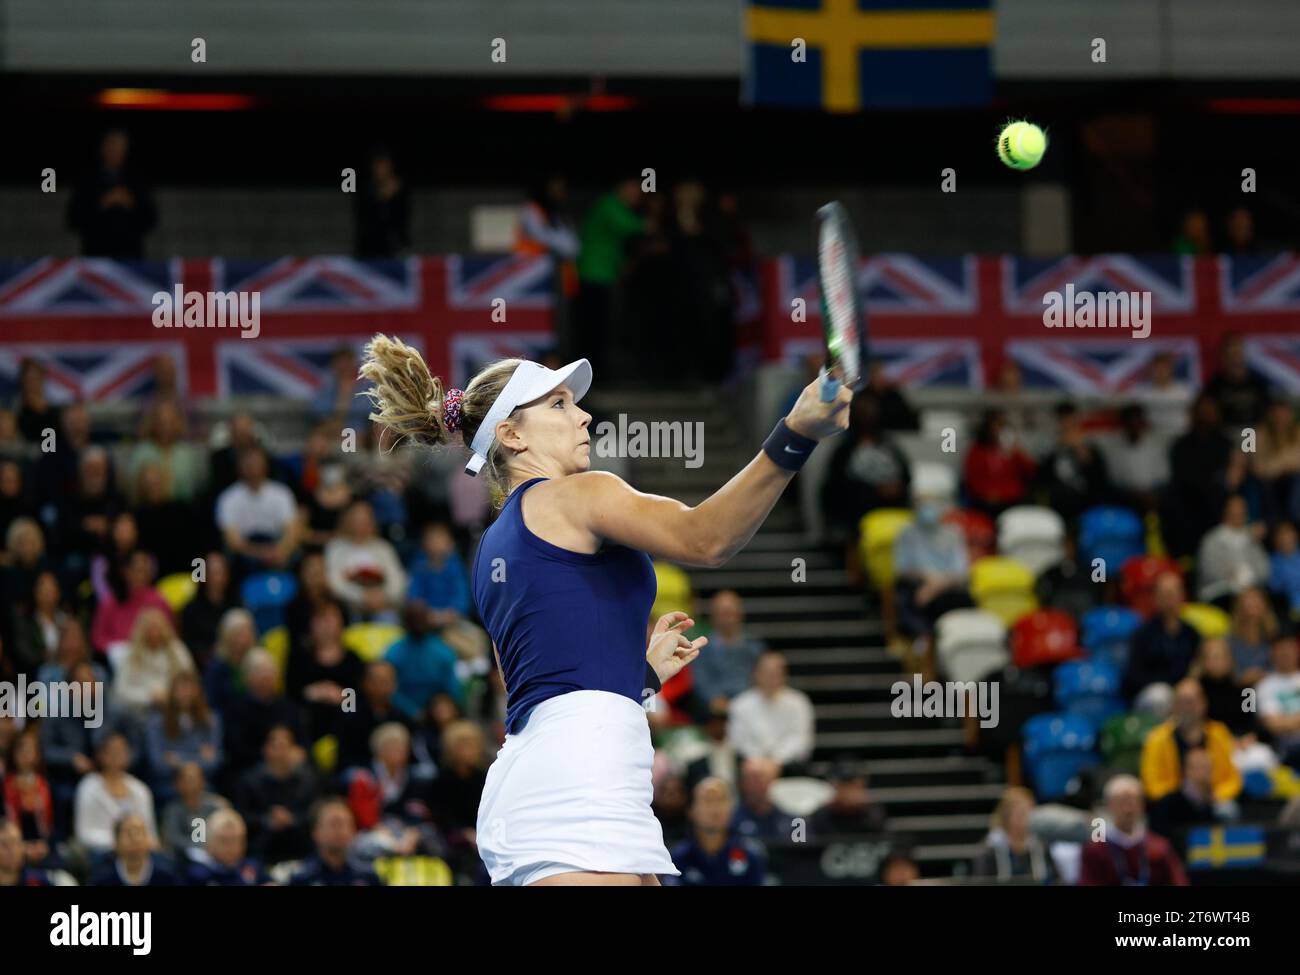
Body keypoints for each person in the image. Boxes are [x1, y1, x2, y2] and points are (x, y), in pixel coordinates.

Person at [357, 332, 850, 885]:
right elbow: (707, 539)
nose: (585, 416)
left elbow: (538, 685)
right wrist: (795, 434)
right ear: (511, 435)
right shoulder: (579, 494)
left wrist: (637, 675)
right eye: (560, 404)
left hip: (581, 773)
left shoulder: (491, 549)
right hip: (575, 782)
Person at [573, 179, 645, 376]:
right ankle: (591, 373)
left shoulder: (616, 207)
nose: (637, 195)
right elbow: (634, 227)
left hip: (605, 274)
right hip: (593, 274)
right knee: (593, 325)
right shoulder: (609, 205)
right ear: (622, 187)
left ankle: (598, 370)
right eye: (634, 189)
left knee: (601, 324)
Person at [1140, 679, 1242, 805]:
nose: (1186, 708)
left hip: (1214, 800)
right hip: (1172, 804)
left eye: (1190, 702)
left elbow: (1233, 778)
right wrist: (1181, 799)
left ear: (1203, 703)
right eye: (1180, 703)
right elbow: (1151, 783)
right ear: (1173, 706)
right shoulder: (1157, 738)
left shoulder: (1219, 733)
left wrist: (1218, 795)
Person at [1163, 394, 1241, 559]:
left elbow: (1233, 477)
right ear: (1194, 414)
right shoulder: (1181, 445)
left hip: (1218, 501)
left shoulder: (1226, 443)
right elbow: (1182, 478)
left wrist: (1234, 472)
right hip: (1189, 502)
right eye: (1203, 411)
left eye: (1211, 411)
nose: (1207, 415)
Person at [1079, 774, 1188, 886]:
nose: (1128, 809)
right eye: (1121, 802)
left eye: (1133, 801)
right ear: (1109, 805)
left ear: (1142, 805)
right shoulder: (1095, 850)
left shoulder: (1159, 847)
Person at [214, 445, 301, 583]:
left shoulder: (282, 493)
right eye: (248, 464)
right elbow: (233, 542)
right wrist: (262, 554)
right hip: (247, 552)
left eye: (257, 463)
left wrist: (281, 551)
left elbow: (293, 532)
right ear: (239, 467)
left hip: (277, 547)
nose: (253, 468)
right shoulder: (228, 498)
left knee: (297, 557)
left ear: (265, 465)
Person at [66, 129, 158, 258]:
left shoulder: (137, 181)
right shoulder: (87, 180)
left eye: (118, 148)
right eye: (111, 147)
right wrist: (102, 203)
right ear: (103, 149)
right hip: (96, 254)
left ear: (125, 151)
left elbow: (151, 219)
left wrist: (130, 203)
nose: (114, 152)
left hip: (129, 255)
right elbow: (73, 219)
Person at [892, 489, 972, 636]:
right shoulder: (906, 534)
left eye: (932, 506)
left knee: (962, 600)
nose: (928, 510)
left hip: (948, 588)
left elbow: (962, 572)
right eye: (923, 506)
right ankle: (925, 645)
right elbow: (902, 570)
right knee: (915, 603)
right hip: (918, 585)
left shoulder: (953, 533)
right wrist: (929, 579)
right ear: (915, 508)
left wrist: (934, 587)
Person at [237, 724, 318, 864]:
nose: (282, 753)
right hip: (261, 848)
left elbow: (314, 813)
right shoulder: (250, 781)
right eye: (277, 746)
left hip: (299, 847)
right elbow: (242, 816)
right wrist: (267, 820)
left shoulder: (307, 781)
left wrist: (291, 819)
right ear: (266, 749)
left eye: (286, 746)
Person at [665, 777, 766, 886]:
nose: (715, 808)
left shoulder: (751, 854)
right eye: (708, 800)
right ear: (691, 810)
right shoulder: (677, 858)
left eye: (722, 799)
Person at [727, 652, 815, 772]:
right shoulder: (740, 704)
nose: (770, 678)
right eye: (766, 673)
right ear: (756, 674)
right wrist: (760, 762)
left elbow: (801, 740)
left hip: (789, 765)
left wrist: (775, 762)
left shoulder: (799, 702)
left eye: (776, 673)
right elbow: (739, 741)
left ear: (784, 675)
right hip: (753, 767)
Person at [74, 733, 158, 856]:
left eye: (122, 750)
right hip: (102, 853)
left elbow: (150, 833)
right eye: (112, 751)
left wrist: (138, 843)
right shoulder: (88, 787)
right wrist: (119, 842)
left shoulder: (140, 789)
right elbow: (83, 834)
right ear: (101, 755)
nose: (117, 755)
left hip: (138, 852)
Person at [324, 500, 407, 622]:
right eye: (355, 520)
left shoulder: (383, 548)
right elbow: (333, 582)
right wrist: (361, 597)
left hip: (382, 605)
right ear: (346, 521)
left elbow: (397, 579)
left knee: (387, 618)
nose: (360, 525)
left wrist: (384, 596)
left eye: (364, 520)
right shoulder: (335, 548)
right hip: (349, 607)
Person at [144, 671, 223, 800]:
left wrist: (177, 760)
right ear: (172, 692)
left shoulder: (211, 721)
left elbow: (215, 761)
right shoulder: (157, 722)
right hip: (169, 785)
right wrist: (199, 758)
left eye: (189, 689)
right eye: (181, 689)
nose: (185, 694)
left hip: (204, 785)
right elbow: (157, 763)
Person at [687, 590, 766, 717]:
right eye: (721, 614)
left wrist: (746, 702)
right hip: (712, 711)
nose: (726, 619)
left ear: (740, 614)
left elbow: (760, 678)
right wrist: (714, 699)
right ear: (713, 616)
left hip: (750, 707)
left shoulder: (755, 647)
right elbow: (699, 680)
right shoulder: (702, 647)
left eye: (729, 613)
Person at [1123, 572, 1201, 700]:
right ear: (1155, 598)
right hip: (1152, 695)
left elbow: (1196, 669)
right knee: (1161, 694)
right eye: (1164, 595)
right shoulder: (1143, 634)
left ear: (1183, 596)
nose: (1169, 600)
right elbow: (1133, 677)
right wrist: (1171, 684)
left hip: (1183, 694)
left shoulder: (1192, 634)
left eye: (1173, 594)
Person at [1146, 748, 1230, 857]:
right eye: (1199, 767)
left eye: (1209, 768)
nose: (1205, 773)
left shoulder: (1218, 808)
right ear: (1186, 770)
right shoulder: (1167, 805)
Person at [288, 798, 382, 886]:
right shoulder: (302, 877)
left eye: (347, 824)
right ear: (316, 832)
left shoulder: (368, 875)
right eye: (334, 824)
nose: (341, 831)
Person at [1198, 495, 1270, 607]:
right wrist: (1234, 578)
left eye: (1242, 509)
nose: (1238, 513)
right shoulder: (1212, 539)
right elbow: (1209, 570)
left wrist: (1248, 580)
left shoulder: (1252, 538)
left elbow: (1264, 570)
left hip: (1250, 592)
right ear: (1226, 511)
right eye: (1234, 509)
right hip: (1221, 593)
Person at [972, 786, 1056, 883]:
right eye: (1021, 814)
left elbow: (1054, 879)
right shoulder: (990, 849)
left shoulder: (1040, 846)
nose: (1028, 819)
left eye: (1031, 812)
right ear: (1007, 816)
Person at [962, 410, 1036, 518]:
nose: (997, 430)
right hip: (985, 499)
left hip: (1012, 498)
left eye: (1001, 427)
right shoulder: (976, 451)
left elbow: (1031, 471)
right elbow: (972, 479)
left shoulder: (1013, 451)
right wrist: (987, 493)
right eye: (995, 426)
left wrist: (1018, 452)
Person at [1099, 403, 1170, 514]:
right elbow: (1114, 479)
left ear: (1143, 423)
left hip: (1154, 498)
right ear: (1124, 424)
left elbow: (1164, 476)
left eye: (1137, 421)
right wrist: (1133, 493)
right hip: (1125, 499)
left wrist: (1150, 493)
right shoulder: (1114, 447)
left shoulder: (1156, 444)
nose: (1134, 426)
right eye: (1130, 422)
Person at [89, 812, 179, 886]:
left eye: (140, 832)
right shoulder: (102, 877)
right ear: (115, 843)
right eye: (129, 833)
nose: (136, 839)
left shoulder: (167, 873)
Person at [159, 762, 229, 856]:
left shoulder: (217, 806)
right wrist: (200, 847)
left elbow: (227, 833)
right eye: (185, 779)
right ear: (177, 784)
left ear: (203, 781)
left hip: (216, 856)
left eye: (193, 779)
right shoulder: (172, 810)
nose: (190, 783)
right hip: (183, 859)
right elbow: (172, 839)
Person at [185, 808, 268, 885]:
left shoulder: (252, 866)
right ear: (209, 843)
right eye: (224, 841)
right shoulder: (199, 874)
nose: (230, 847)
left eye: (235, 840)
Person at [1204, 334, 1270, 429]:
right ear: (1223, 357)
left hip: (1255, 431)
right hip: (1226, 433)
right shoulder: (1215, 384)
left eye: (1238, 353)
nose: (1235, 359)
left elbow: (1268, 410)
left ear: (1244, 354)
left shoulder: (1258, 381)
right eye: (1231, 354)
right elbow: (1209, 414)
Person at [353, 149, 410, 259]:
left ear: (390, 167)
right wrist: (382, 198)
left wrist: (394, 195)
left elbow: (402, 220)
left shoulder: (400, 190)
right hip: (368, 249)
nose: (380, 170)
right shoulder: (366, 190)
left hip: (393, 248)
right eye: (377, 166)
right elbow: (364, 219)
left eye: (384, 165)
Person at [1257, 634, 1300, 769]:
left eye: (1289, 650)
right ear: (1272, 654)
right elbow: (1274, 725)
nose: (1285, 654)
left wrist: (1289, 720)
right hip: (1288, 747)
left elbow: (1282, 721)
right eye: (1281, 650)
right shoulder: (1265, 685)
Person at [1227, 587, 1277, 684]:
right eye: (1247, 606)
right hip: (1238, 690)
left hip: (1272, 688)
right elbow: (1226, 670)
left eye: (1256, 605)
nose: (1251, 611)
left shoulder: (1276, 637)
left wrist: (1265, 675)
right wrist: (1241, 677)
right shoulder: (1229, 641)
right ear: (1239, 610)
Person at [1270, 521, 1300, 619]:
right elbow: (1275, 588)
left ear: (1295, 536)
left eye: (1288, 534)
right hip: (1293, 608)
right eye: (1281, 535)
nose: (1285, 538)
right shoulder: (1273, 562)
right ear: (1276, 540)